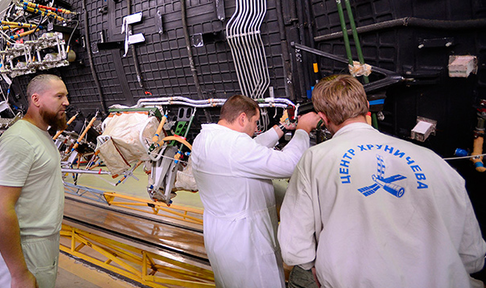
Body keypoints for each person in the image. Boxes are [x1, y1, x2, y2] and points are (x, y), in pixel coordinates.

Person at [278, 75, 486, 288]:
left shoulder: (315, 159)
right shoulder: (433, 160)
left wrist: (309, 265)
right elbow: (472, 255)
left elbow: (295, 245)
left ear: (322, 117)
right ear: (367, 107)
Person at [191, 94, 321, 288]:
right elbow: (289, 164)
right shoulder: (234, 146)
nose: (256, 128)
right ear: (242, 118)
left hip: (222, 236)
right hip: (247, 241)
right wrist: (303, 130)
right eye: (255, 121)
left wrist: (281, 128)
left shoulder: (206, 138)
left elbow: (250, 150)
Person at [0, 74, 69, 288]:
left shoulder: (40, 134)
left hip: (41, 242)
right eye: (59, 96)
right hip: (26, 246)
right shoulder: (19, 140)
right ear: (36, 100)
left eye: (66, 96)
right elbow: (0, 209)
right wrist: (19, 273)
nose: (66, 102)